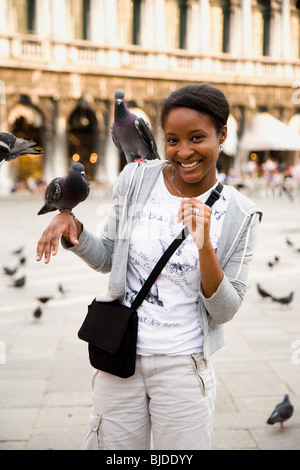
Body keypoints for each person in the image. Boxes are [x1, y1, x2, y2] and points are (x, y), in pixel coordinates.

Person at [36, 84, 262, 450]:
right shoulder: (137, 178)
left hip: (184, 368)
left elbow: (225, 310)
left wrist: (205, 247)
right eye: (172, 140)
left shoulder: (241, 214)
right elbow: (109, 256)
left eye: (197, 138)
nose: (183, 151)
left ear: (222, 134)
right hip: (120, 356)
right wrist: (74, 228)